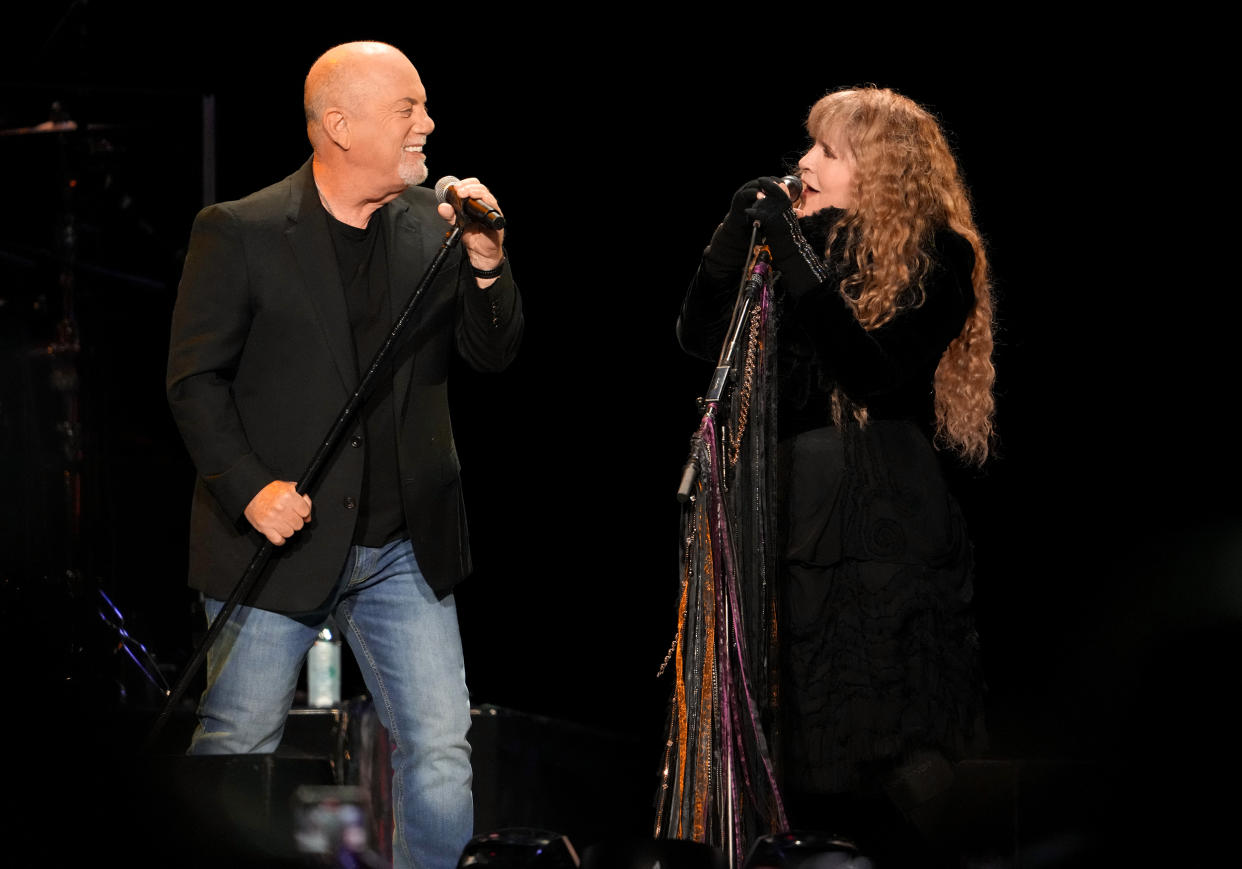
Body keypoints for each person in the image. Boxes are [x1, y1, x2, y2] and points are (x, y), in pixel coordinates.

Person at [165, 41, 522, 869]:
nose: (427, 125)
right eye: (409, 108)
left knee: (439, 748)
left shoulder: (432, 229)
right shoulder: (243, 230)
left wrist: (488, 261)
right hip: (276, 539)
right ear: (338, 125)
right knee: (236, 739)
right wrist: (250, 490)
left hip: (402, 546)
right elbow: (193, 382)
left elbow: (494, 352)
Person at [677, 86, 993, 864]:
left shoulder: (936, 254)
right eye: (807, 147)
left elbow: (874, 373)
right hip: (783, 500)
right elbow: (696, 337)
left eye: (827, 151)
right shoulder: (788, 250)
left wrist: (794, 253)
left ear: (880, 170)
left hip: (876, 510)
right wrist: (730, 236)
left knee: (885, 731)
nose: (804, 164)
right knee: (794, 731)